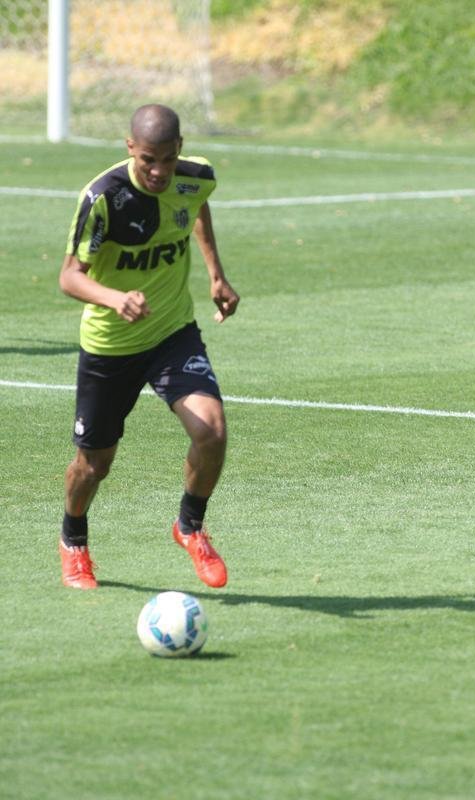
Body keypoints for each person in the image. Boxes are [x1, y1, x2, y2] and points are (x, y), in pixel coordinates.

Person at [58, 104, 239, 591]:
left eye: (166, 159)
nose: (158, 172)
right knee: (94, 465)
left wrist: (215, 274)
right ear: (130, 149)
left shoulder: (195, 177)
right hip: (110, 345)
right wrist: (115, 298)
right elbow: (69, 277)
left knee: (213, 431)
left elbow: (196, 206)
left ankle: (190, 527)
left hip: (171, 333)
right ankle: (73, 539)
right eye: (147, 161)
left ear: (179, 148)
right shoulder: (104, 197)